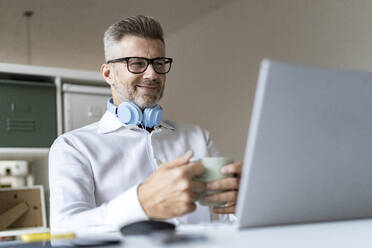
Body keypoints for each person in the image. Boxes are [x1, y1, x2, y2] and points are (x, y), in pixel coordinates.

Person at [49, 15, 243, 233]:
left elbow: (226, 219)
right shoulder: (73, 146)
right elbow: (63, 233)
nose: (152, 74)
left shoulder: (198, 137)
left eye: (159, 63)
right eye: (137, 63)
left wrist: (245, 201)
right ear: (108, 73)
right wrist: (140, 204)